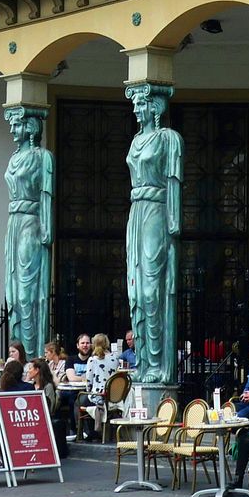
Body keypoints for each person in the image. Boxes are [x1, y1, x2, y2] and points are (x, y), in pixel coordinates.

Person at [125, 83, 182, 383]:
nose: (135, 108)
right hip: (137, 212)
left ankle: (160, 364)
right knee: (136, 292)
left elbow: (173, 184)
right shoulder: (135, 142)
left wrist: (173, 225)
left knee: (152, 291)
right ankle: (145, 363)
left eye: (141, 102)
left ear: (155, 107)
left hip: (156, 213)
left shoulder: (168, 139)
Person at [3, 106, 53, 359]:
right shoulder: (13, 158)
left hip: (31, 224)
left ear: (31, 127)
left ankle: (32, 354)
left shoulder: (42, 157)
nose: (13, 129)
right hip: (14, 223)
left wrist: (46, 228)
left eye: (18, 124)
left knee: (27, 292)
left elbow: (46, 194)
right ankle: (18, 351)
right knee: (13, 293)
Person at [77, 333, 120, 440]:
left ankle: (88, 432)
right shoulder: (115, 358)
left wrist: (88, 390)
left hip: (98, 395)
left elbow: (89, 382)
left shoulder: (93, 360)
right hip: (113, 396)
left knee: (79, 401)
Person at [62, 333, 92, 440]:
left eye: (87, 343)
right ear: (77, 345)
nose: (85, 345)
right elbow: (71, 378)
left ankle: (81, 431)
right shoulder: (71, 359)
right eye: (82, 343)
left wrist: (79, 377)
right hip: (73, 390)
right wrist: (86, 377)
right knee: (70, 399)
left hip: (89, 392)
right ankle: (73, 430)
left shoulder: (93, 359)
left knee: (76, 400)